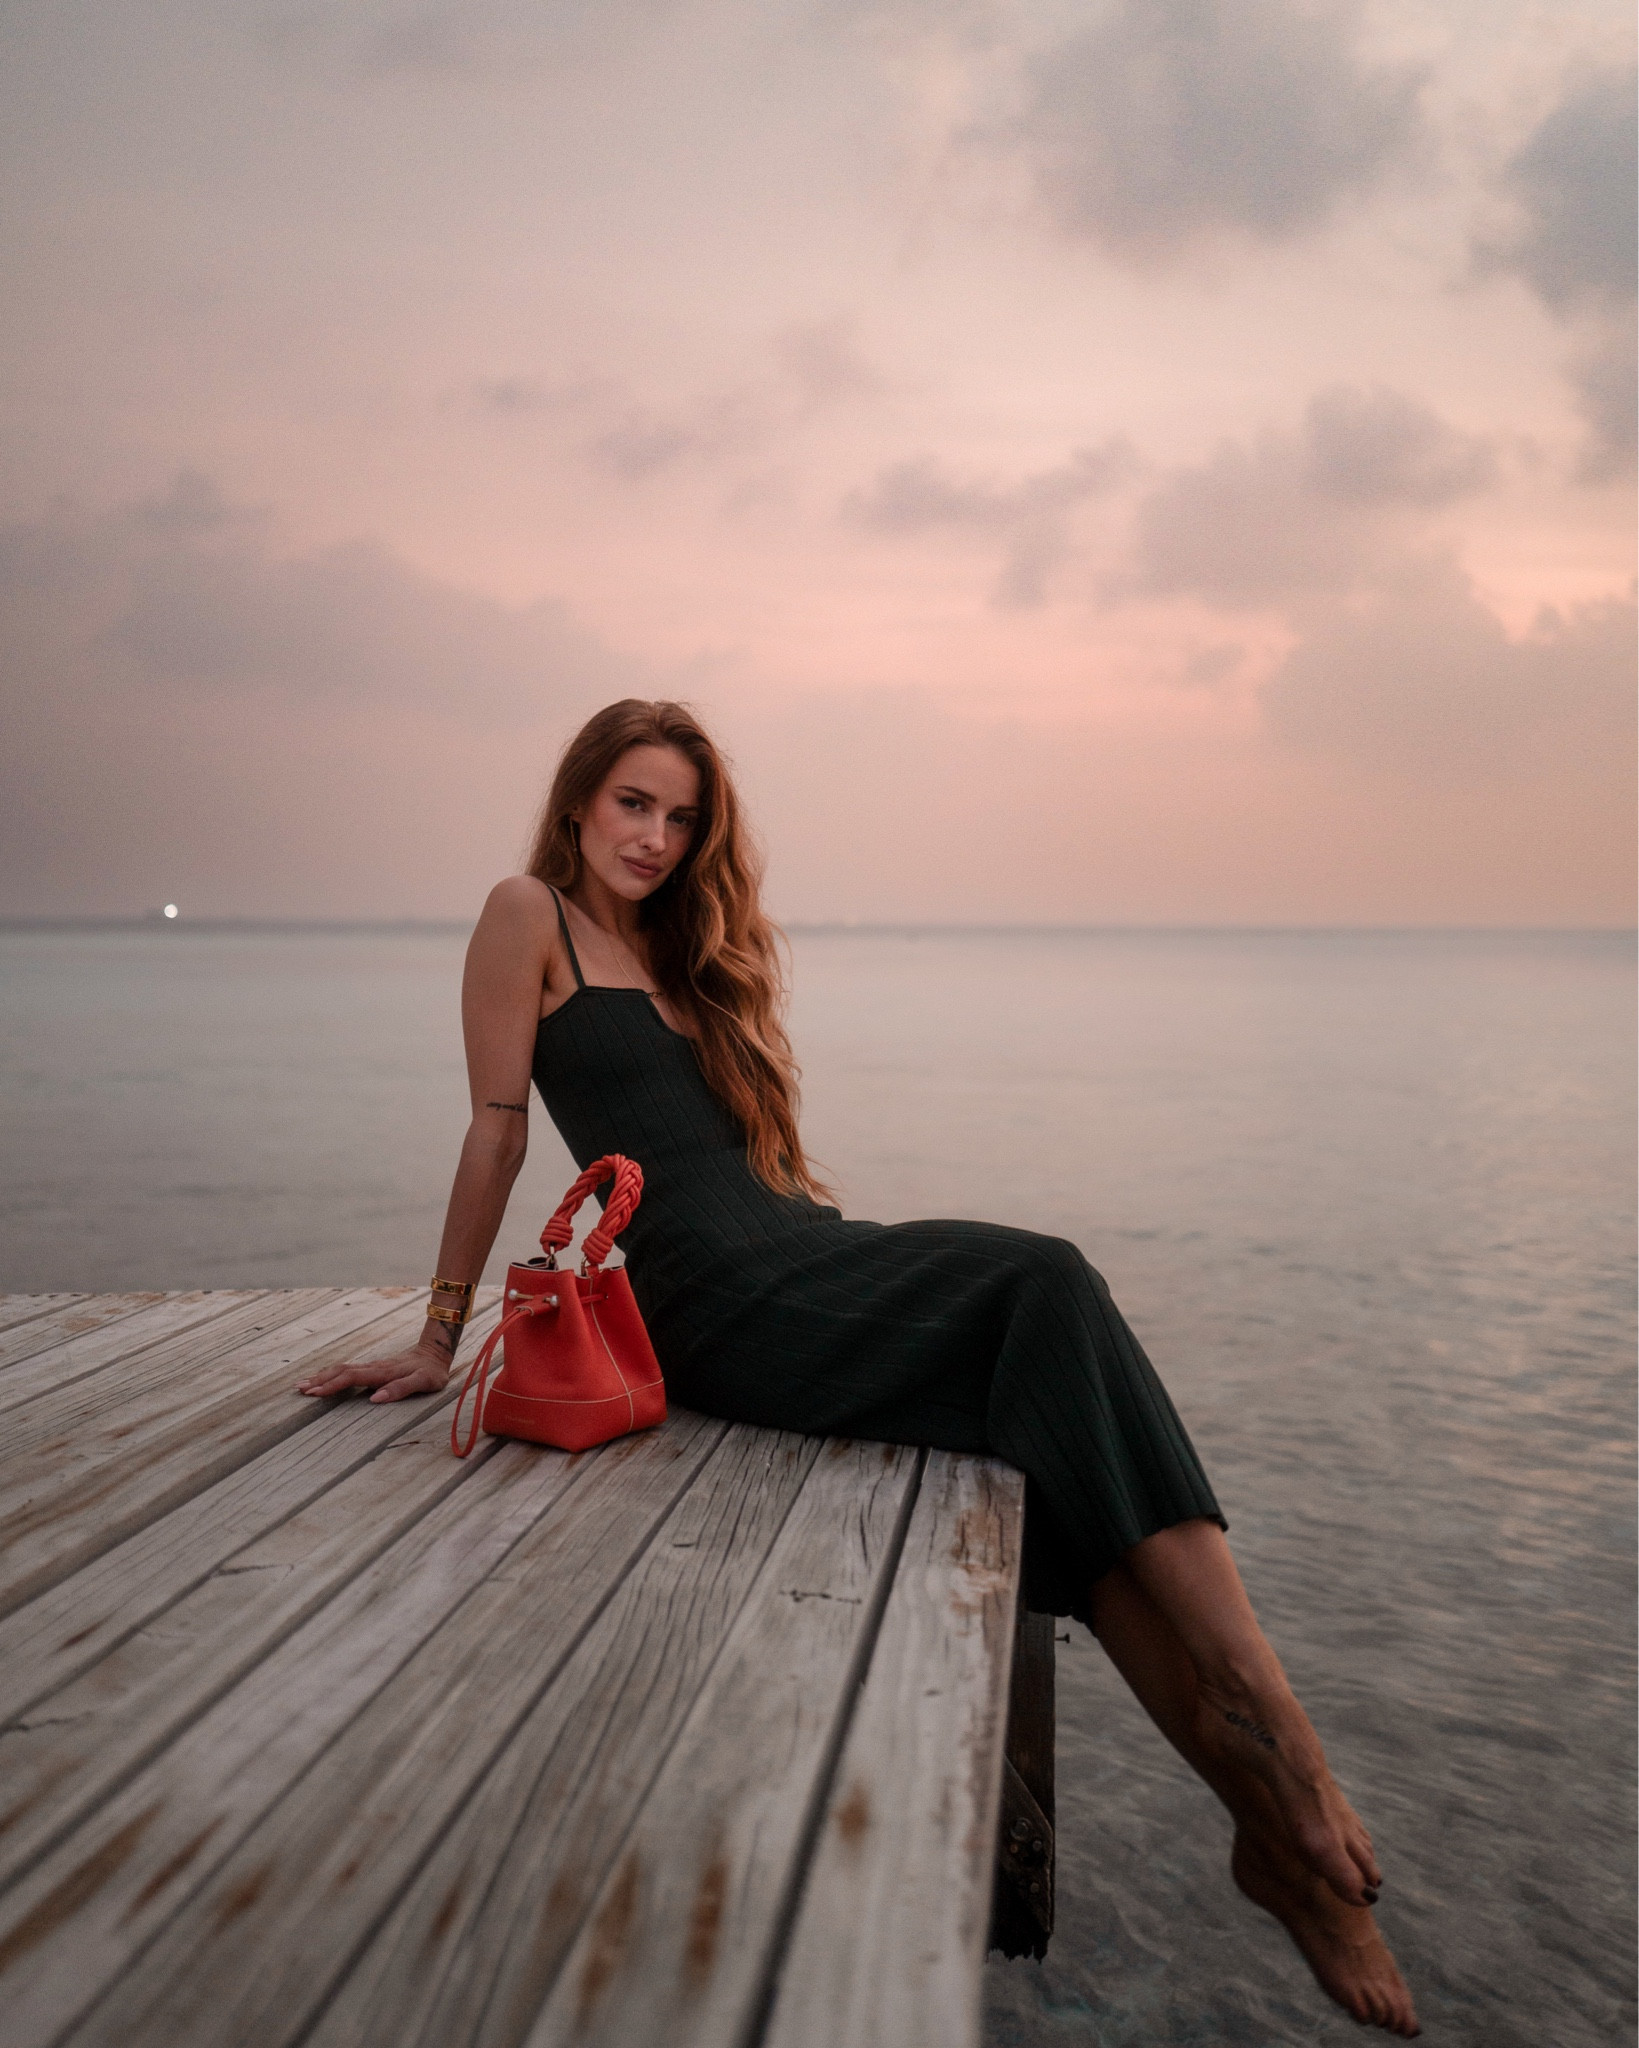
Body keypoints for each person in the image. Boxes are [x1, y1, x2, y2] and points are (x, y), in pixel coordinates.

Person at [298, 699, 1420, 2037]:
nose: (657, 839)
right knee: (1044, 1276)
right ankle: (1274, 1732)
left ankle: (1264, 1827)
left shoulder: (685, 947)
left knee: (1057, 1442)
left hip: (793, 1250)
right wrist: (437, 1336)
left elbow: (749, 1156)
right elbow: (493, 1131)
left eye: (682, 817)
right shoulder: (523, 915)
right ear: (578, 804)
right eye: (635, 805)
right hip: (710, 1298)